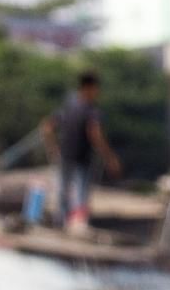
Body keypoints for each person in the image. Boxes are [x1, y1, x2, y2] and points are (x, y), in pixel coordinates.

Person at [41, 71, 123, 228]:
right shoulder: (91, 110)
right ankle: (76, 225)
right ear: (89, 88)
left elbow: (46, 127)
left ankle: (61, 224)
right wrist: (110, 158)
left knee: (63, 193)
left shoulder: (68, 106)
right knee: (80, 195)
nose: (98, 92)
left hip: (65, 156)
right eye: (96, 88)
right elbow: (95, 134)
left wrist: (52, 149)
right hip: (80, 160)